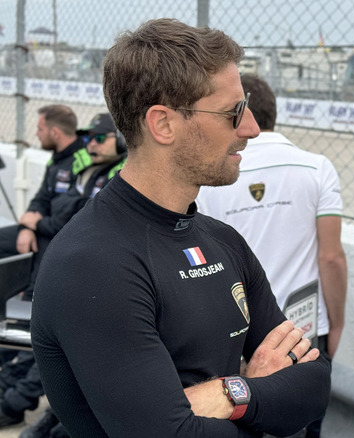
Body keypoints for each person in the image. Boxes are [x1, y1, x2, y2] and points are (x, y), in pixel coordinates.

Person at [31, 18, 330, 437]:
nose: (251, 129)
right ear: (164, 124)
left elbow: (314, 385)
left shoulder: (221, 239)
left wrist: (232, 393)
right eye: (233, 113)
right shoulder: (92, 264)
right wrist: (260, 391)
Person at [197, 74, 347, 438]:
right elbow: (331, 257)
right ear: (274, 112)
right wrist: (337, 324)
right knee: (304, 420)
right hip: (302, 329)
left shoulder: (211, 171)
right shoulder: (316, 167)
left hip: (238, 331)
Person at [14, 113, 127, 438]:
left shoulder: (121, 172)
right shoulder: (86, 167)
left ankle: (16, 401)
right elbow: (61, 203)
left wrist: (42, 222)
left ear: (119, 139)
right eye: (88, 137)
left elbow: (76, 214)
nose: (90, 143)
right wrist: (32, 223)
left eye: (98, 137)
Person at [0, 104, 89, 298]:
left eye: (40, 129)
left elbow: (68, 218)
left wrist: (36, 224)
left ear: (55, 132)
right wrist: (27, 228)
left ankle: (26, 310)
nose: (37, 134)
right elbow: (41, 198)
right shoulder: (56, 160)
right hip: (41, 229)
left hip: (60, 237)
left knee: (36, 285)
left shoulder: (83, 161)